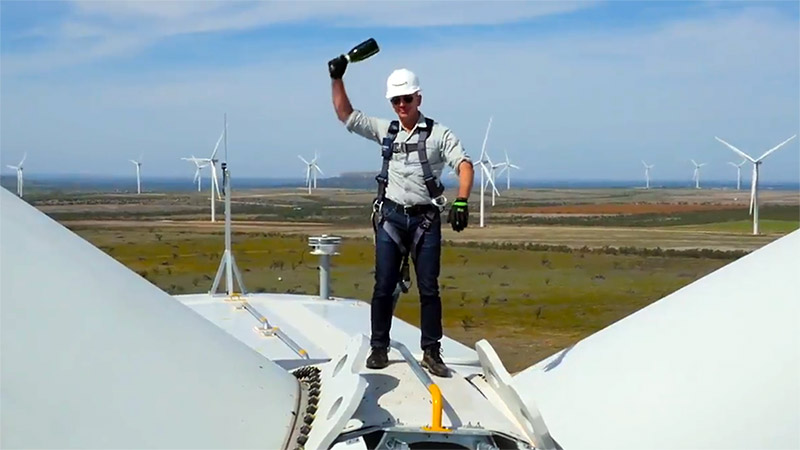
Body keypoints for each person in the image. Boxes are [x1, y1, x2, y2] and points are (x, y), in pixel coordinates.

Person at [328, 55, 474, 377]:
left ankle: (432, 352)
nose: (401, 105)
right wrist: (337, 79)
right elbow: (346, 115)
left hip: (425, 220)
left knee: (429, 288)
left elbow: (464, 164)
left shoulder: (439, 134)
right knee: (383, 286)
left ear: (418, 98)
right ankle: (379, 347)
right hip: (391, 218)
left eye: (406, 98)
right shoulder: (385, 130)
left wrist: (461, 201)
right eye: (396, 100)